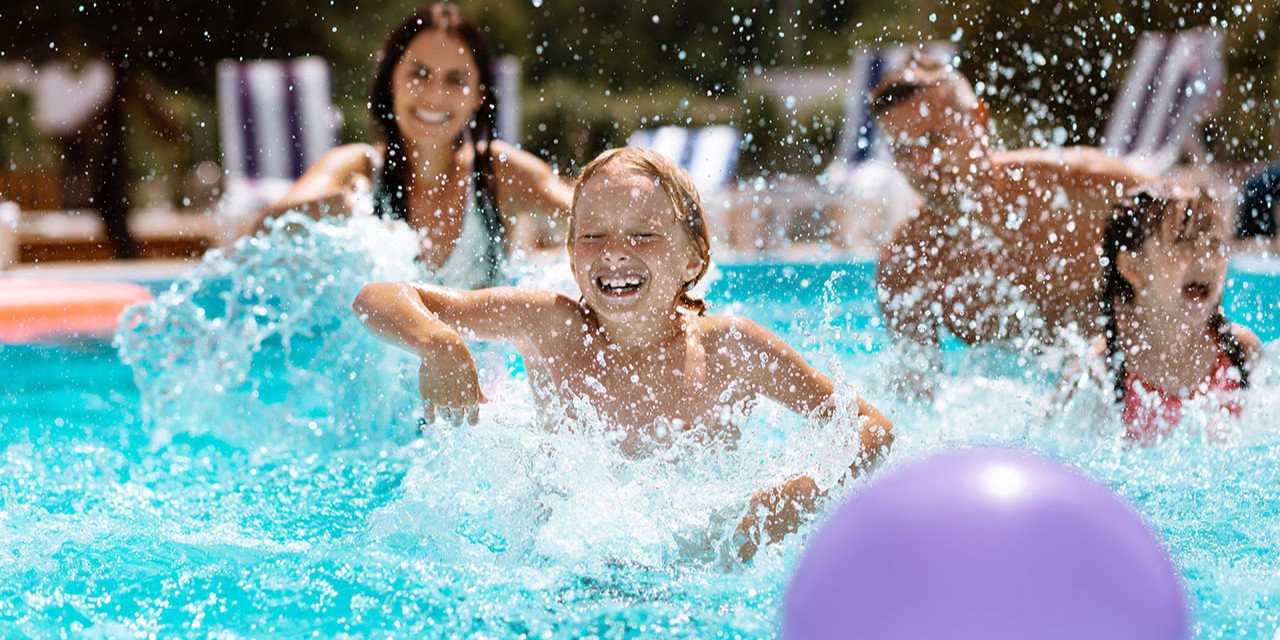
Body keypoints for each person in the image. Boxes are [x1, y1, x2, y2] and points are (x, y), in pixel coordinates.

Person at [352, 147, 894, 561]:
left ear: (693, 257)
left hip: (700, 574)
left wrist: (797, 498)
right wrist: (439, 344)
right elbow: (379, 296)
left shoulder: (732, 349)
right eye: (592, 235)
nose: (615, 252)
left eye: (644, 234)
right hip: (561, 570)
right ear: (569, 252)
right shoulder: (549, 327)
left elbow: (871, 426)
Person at [258, 3, 572, 288]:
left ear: (479, 94)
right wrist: (335, 206)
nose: (435, 95)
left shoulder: (497, 173)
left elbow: (592, 213)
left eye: (455, 80)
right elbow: (260, 231)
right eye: (420, 74)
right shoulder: (357, 168)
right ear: (390, 79)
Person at [869, 56, 1152, 352]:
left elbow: (1194, 219)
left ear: (978, 119)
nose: (922, 164)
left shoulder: (1083, 187)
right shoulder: (907, 268)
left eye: (934, 139)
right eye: (903, 151)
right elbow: (914, 393)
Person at [1068, 184, 1261, 444]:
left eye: (1215, 244)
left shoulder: (1240, 351)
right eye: (1185, 243)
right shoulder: (1103, 368)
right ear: (1133, 267)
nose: (1206, 258)